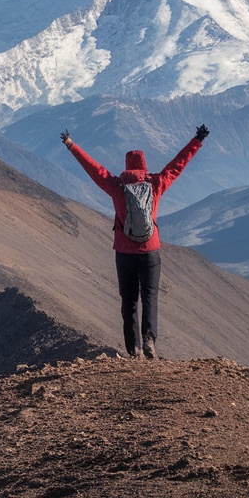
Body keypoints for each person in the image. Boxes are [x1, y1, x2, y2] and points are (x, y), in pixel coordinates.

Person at [61, 124, 209, 359]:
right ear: (144, 166)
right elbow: (177, 165)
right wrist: (197, 141)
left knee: (129, 301)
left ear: (127, 166)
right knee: (150, 296)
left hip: (124, 252)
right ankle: (149, 340)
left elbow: (93, 168)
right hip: (150, 251)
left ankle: (135, 350)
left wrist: (71, 145)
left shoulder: (115, 185)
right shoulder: (156, 183)